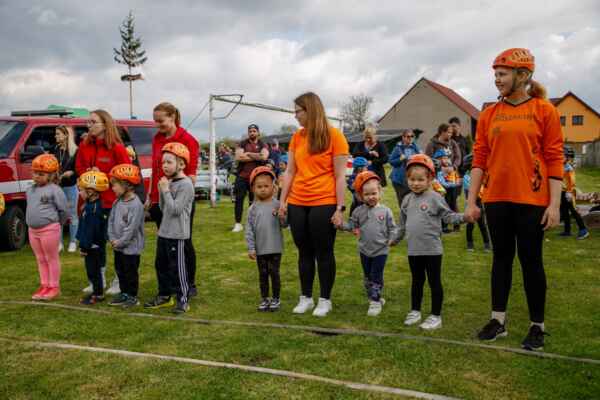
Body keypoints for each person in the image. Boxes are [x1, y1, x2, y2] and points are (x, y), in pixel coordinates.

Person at [465, 48, 564, 351]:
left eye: (502, 74)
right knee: (501, 260)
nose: (497, 79)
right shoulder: (489, 114)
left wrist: (554, 205)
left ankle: (537, 326)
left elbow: (554, 157)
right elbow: (479, 159)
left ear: (522, 75)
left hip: (532, 200)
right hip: (496, 199)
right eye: (495, 74)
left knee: (531, 261)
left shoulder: (544, 110)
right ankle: (498, 321)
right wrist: (471, 201)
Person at [278, 92, 349, 317]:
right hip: (297, 201)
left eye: (298, 111)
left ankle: (325, 299)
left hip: (324, 201)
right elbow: (290, 171)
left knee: (324, 252)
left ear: (311, 110)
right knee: (304, 252)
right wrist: (283, 201)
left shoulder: (335, 136)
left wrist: (339, 208)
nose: (295, 115)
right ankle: (306, 297)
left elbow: (340, 176)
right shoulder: (297, 137)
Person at [397, 154, 465, 330]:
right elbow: (402, 225)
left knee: (434, 282)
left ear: (430, 179)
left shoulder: (435, 198)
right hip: (413, 250)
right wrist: (394, 239)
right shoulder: (407, 200)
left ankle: (436, 316)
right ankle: (415, 311)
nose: (416, 183)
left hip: (432, 250)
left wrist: (465, 217)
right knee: (416, 281)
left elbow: (448, 216)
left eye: (420, 179)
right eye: (412, 179)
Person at [75, 109, 131, 296]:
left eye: (93, 122)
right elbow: (79, 167)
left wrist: (102, 176)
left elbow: (126, 173)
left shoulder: (117, 147)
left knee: (117, 243)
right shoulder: (84, 145)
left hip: (111, 203)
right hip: (90, 204)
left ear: (105, 124)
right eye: (88, 122)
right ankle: (97, 280)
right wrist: (87, 174)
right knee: (93, 243)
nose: (88, 125)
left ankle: (119, 280)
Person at [148, 102, 200, 298]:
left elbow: (191, 176)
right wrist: (151, 195)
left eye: (160, 120)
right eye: (155, 121)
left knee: (183, 242)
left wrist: (171, 191)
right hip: (160, 197)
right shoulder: (157, 138)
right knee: (165, 244)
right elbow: (155, 169)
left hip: (178, 199)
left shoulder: (188, 140)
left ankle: (188, 283)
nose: (157, 125)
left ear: (172, 117)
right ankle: (170, 283)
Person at [339, 171, 398, 317]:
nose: (371, 197)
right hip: (364, 250)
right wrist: (340, 225)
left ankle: (375, 302)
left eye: (374, 193)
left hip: (381, 250)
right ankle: (374, 297)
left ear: (379, 192)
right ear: (360, 196)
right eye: (366, 194)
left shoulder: (386, 211)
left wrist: (392, 238)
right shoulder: (358, 212)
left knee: (376, 275)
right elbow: (352, 226)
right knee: (367, 278)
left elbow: (393, 228)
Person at [145, 142, 195, 314]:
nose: (164, 166)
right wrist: (161, 190)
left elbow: (175, 210)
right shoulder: (169, 182)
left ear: (181, 164)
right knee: (161, 266)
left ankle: (183, 300)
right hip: (164, 232)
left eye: (169, 162)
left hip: (177, 234)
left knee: (178, 269)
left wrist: (165, 190)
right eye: (163, 162)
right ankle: (164, 295)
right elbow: (163, 208)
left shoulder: (186, 184)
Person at [245, 166, 287, 312]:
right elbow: (249, 230)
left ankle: (276, 298)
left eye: (266, 186)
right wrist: (251, 247)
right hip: (260, 248)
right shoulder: (252, 209)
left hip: (275, 247)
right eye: (259, 187)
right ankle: (265, 298)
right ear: (253, 189)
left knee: (274, 273)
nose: (263, 189)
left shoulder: (278, 205)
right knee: (263, 274)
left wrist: (282, 216)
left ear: (273, 187)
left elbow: (285, 225)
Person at [27, 154, 67, 301]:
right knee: (40, 258)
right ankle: (44, 285)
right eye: (35, 173)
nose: (37, 176)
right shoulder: (30, 189)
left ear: (51, 175)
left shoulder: (55, 190)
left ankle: (54, 287)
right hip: (33, 230)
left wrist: (57, 224)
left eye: (41, 174)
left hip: (49, 229)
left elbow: (63, 210)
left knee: (51, 258)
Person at [107, 164, 145, 308]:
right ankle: (124, 293)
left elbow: (131, 229)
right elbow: (111, 221)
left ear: (127, 184)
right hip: (118, 246)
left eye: (115, 185)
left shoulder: (136, 205)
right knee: (120, 271)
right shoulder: (117, 202)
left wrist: (121, 242)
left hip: (131, 248)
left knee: (130, 273)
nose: (113, 188)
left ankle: (132, 296)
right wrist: (112, 238)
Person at [76, 171, 110, 305]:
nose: (79, 193)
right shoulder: (90, 205)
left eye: (81, 190)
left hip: (93, 246)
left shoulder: (94, 209)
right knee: (92, 271)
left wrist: (84, 247)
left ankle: (98, 294)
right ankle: (96, 291)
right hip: (91, 245)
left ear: (91, 192)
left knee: (94, 271)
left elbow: (91, 230)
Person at [232, 124, 269, 232]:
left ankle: (252, 223)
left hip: (256, 177)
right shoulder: (242, 143)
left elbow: (264, 157)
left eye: (254, 131)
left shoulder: (263, 144)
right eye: (250, 131)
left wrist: (248, 154)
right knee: (239, 200)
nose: (252, 133)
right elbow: (238, 157)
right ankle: (238, 223)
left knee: (254, 201)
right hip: (242, 176)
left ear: (258, 132)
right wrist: (257, 156)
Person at [426, 123, 462, 232]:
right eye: (449, 132)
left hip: (452, 176)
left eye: (451, 133)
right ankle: (444, 226)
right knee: (442, 200)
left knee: (453, 201)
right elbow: (428, 159)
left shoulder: (453, 143)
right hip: (439, 177)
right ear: (442, 132)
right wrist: (440, 168)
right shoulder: (432, 144)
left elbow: (458, 157)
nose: (450, 135)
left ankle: (456, 224)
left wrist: (453, 167)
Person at [53, 125, 78, 253]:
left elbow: (79, 169)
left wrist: (72, 173)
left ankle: (73, 242)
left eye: (58, 134)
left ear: (66, 135)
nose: (55, 136)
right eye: (56, 134)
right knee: (59, 215)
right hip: (58, 187)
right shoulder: (56, 149)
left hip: (70, 187)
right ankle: (60, 243)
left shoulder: (74, 150)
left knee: (72, 215)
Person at [462, 154, 491, 251]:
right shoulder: (467, 177)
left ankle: (487, 244)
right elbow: (472, 189)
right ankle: (470, 244)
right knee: (470, 225)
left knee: (482, 225)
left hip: (479, 204)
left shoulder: (483, 176)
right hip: (471, 204)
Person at [559, 147, 589, 239]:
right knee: (564, 211)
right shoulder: (562, 166)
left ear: (567, 157)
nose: (561, 157)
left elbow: (571, 181)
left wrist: (569, 192)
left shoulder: (568, 168)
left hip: (569, 193)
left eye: (563, 156)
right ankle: (567, 231)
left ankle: (583, 230)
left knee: (573, 211)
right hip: (562, 192)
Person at [389, 129, 420, 209]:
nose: (410, 138)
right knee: (402, 200)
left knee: (412, 199)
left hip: (411, 177)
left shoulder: (415, 148)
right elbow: (391, 162)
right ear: (403, 137)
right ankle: (404, 215)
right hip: (399, 179)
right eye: (408, 136)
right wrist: (400, 159)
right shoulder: (398, 148)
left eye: (412, 136)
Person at [433, 149, 462, 233]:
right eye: (443, 158)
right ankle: (444, 227)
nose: (446, 160)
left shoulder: (451, 168)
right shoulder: (439, 170)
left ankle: (456, 225)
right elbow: (442, 182)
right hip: (444, 191)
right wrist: (454, 184)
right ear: (438, 159)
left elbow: (456, 177)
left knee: (454, 207)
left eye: (447, 158)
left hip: (453, 191)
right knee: (444, 207)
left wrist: (457, 181)